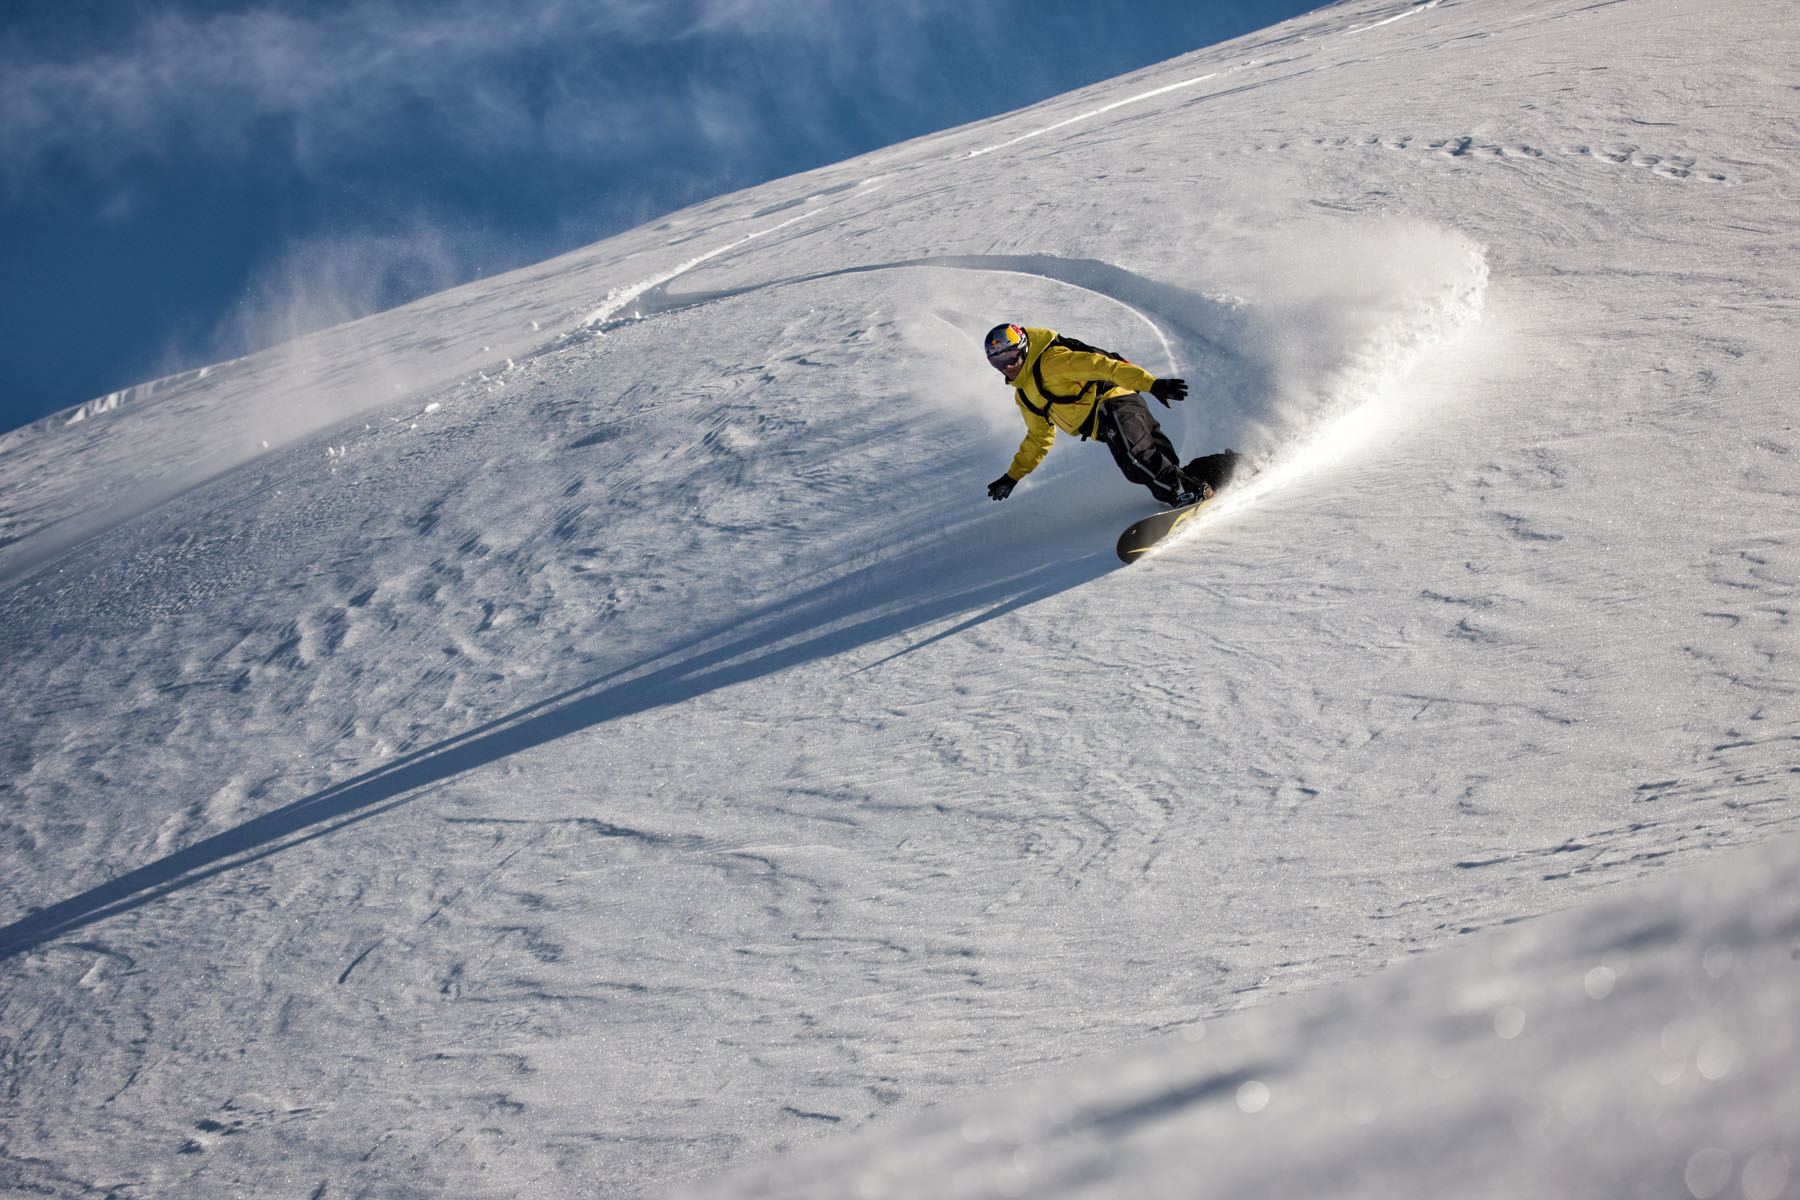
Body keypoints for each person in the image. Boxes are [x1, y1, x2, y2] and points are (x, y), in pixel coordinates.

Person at [982, 323, 1227, 508]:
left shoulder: (1051, 362)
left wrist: (1151, 384)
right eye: (998, 363)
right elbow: (1039, 437)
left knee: (1136, 460)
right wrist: (1012, 476)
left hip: (1114, 405)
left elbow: (1103, 366)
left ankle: (1189, 492)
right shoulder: (1024, 395)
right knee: (1160, 467)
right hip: (1111, 417)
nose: (1007, 367)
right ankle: (1221, 468)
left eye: (1010, 357)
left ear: (1023, 349)